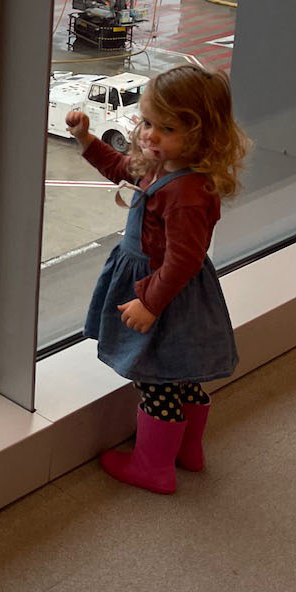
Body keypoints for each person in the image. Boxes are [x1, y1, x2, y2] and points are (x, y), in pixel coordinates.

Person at [67, 64, 248, 494]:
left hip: (164, 293)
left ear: (202, 135)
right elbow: (121, 168)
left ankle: (154, 468)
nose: (149, 135)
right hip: (170, 291)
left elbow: (185, 258)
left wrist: (149, 302)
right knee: (182, 376)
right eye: (147, 122)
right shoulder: (163, 166)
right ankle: (187, 452)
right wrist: (86, 140)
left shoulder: (185, 193)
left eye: (165, 128)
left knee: (155, 379)